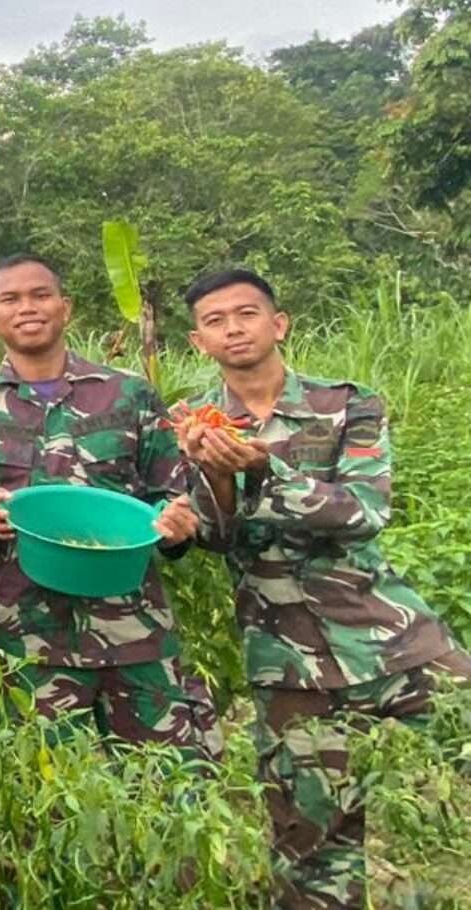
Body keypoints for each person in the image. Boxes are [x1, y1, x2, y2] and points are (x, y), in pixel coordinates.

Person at [179, 268, 470, 910]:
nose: (233, 329)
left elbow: (362, 511)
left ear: (278, 324)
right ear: (199, 340)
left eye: (246, 314)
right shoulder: (195, 424)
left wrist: (265, 469)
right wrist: (214, 483)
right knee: (312, 845)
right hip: (287, 662)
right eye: (215, 321)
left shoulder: (346, 405)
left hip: (391, 639)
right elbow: (218, 537)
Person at [0, 253, 218, 756]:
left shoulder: (129, 394)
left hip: (134, 631)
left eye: (41, 295)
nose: (27, 308)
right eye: (10, 299)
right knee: (45, 795)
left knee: (166, 783)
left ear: (67, 307)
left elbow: (171, 493)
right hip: (29, 642)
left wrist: (176, 522)